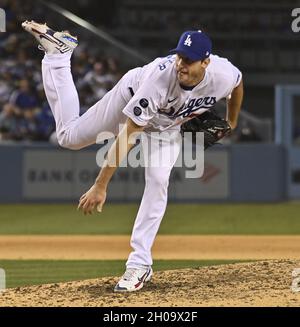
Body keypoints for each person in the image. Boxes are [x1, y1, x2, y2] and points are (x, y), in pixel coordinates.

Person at [22, 21, 243, 292]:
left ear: (205, 63)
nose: (181, 64)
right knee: (68, 138)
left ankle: (139, 264)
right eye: (179, 57)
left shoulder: (223, 74)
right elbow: (129, 134)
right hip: (129, 101)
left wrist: (231, 121)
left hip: (167, 127)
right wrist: (100, 185)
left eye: (189, 60)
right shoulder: (160, 80)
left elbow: (238, 84)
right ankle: (59, 56)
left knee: (159, 179)